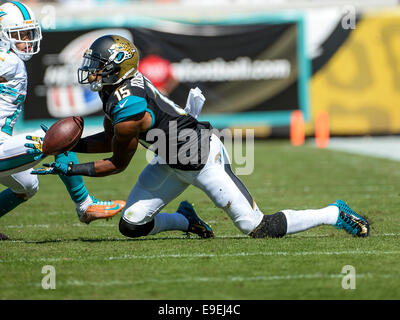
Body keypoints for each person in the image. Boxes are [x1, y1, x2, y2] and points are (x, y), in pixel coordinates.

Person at [32, 34, 370, 240]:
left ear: (117, 67)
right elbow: (109, 139)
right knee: (132, 226)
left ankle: (333, 213)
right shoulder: (115, 92)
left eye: (98, 64)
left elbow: (118, 163)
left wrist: (71, 168)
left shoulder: (129, 106)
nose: (91, 69)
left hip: (201, 158)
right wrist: (70, 145)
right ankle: (186, 220)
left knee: (257, 228)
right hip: (167, 158)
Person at [0, 2, 125, 240]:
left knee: (27, 186)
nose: (27, 40)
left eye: (29, 33)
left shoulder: (11, 59)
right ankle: (86, 205)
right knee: (54, 137)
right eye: (20, 35)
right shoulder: (8, 60)